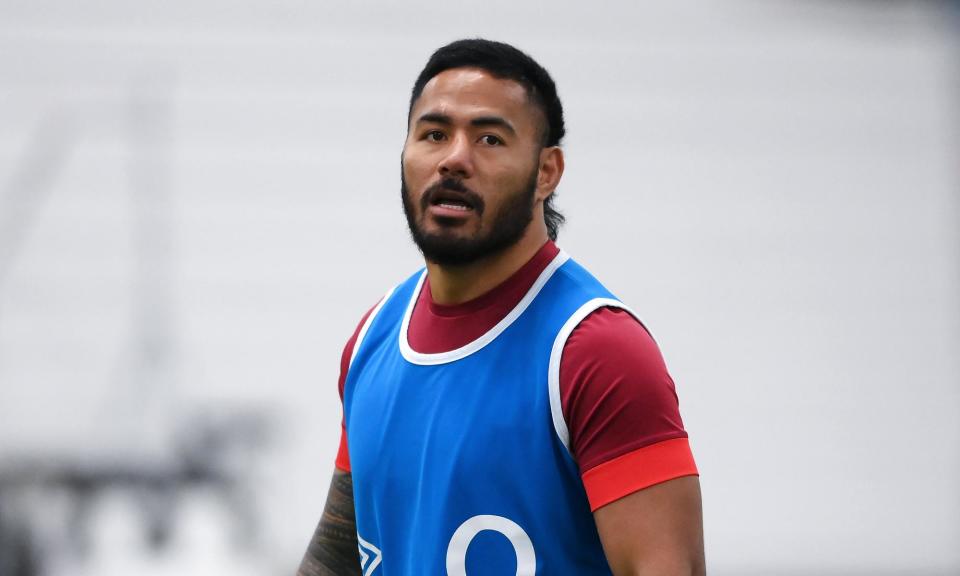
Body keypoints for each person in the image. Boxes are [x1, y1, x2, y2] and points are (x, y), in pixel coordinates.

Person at [298, 39, 704, 575]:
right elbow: (337, 559)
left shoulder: (595, 352)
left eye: (489, 138)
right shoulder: (374, 338)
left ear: (546, 172)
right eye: (434, 134)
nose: (454, 160)